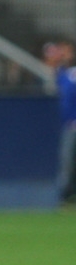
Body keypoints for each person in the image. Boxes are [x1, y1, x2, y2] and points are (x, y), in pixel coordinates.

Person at [53, 40, 76, 205]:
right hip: (68, 126)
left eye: (67, 52)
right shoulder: (63, 73)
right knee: (66, 163)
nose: (64, 55)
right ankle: (66, 197)